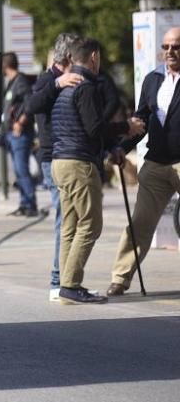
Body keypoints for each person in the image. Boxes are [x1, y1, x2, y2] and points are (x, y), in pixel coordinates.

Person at [51, 38, 143, 304]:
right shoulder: (86, 87)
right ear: (94, 57)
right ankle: (71, 284)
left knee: (70, 225)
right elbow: (94, 128)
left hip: (60, 161)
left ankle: (67, 285)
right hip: (79, 163)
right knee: (91, 224)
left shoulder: (65, 87)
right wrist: (126, 127)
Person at [106, 27, 180, 296]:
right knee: (139, 225)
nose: (170, 52)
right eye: (166, 46)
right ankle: (120, 278)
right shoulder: (153, 79)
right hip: (156, 163)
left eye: (176, 47)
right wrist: (122, 148)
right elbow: (142, 121)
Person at [22, 33, 83, 301]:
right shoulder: (48, 80)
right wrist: (57, 83)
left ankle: (66, 279)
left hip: (66, 156)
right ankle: (58, 281)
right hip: (52, 157)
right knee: (65, 219)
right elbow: (31, 105)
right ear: (69, 57)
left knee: (71, 218)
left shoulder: (68, 80)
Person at [1, 52, 38, 216]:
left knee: (22, 169)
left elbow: (29, 103)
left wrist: (20, 122)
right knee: (18, 170)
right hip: (11, 134)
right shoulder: (12, 82)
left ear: (5, 65)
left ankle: (31, 204)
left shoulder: (21, 82)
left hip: (20, 133)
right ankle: (24, 203)